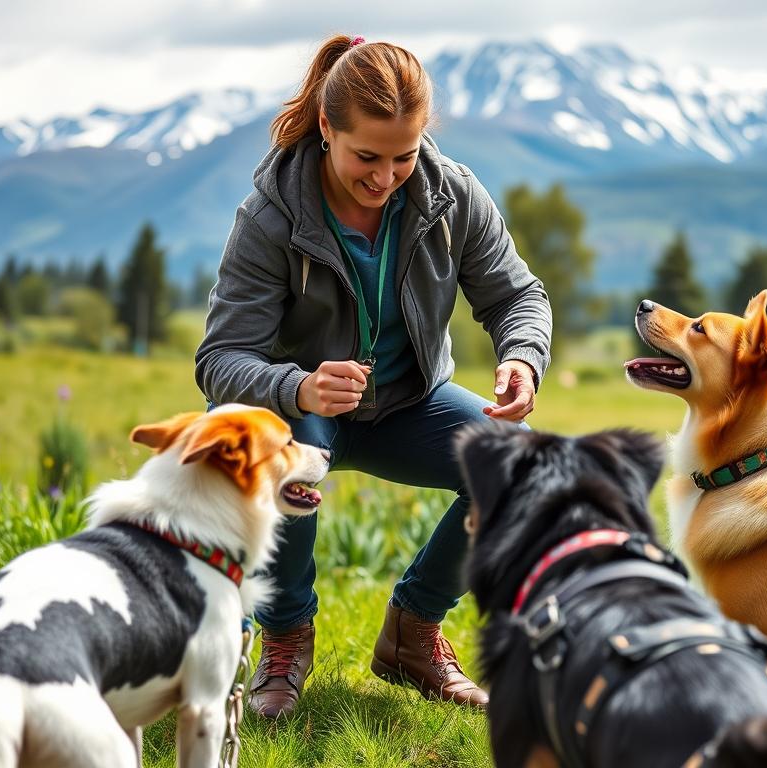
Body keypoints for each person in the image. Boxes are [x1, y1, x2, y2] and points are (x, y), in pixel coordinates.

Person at [194, 33, 552, 716]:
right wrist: (296, 386)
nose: (387, 177)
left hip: (408, 406)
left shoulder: (451, 195)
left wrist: (521, 358)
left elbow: (519, 298)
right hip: (297, 416)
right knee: (290, 447)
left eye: (404, 156)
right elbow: (218, 362)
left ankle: (412, 636)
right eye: (367, 156)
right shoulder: (271, 215)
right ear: (327, 128)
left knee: (516, 466)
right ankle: (285, 635)